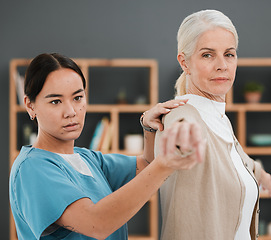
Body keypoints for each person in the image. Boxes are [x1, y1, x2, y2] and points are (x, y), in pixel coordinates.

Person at [9, 53, 206, 240]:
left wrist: (149, 126)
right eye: (55, 101)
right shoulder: (32, 168)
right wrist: (166, 164)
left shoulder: (88, 159)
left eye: (77, 98)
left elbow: (146, 165)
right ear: (30, 105)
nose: (71, 112)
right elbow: (97, 224)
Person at [154, 9, 271, 240]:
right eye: (208, 55)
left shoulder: (220, 119)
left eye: (229, 54)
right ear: (184, 62)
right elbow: (182, 131)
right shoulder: (182, 115)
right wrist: (180, 138)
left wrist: (263, 176)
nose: (222, 65)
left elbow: (238, 160)